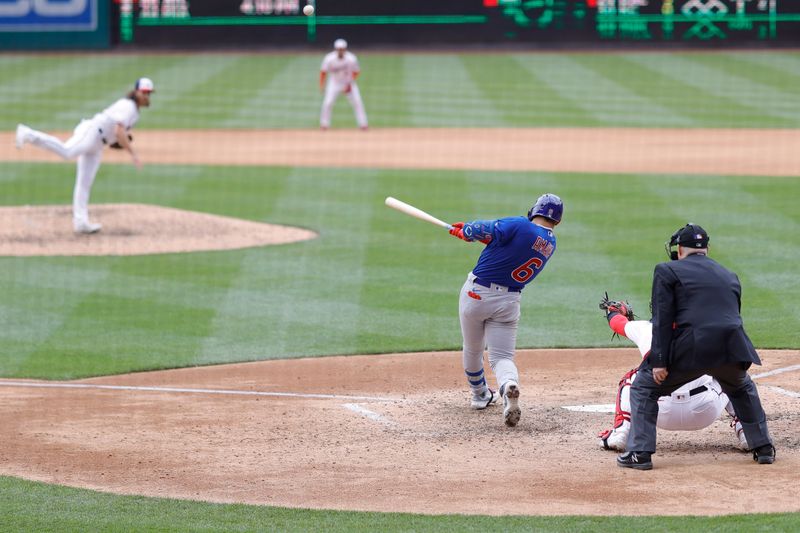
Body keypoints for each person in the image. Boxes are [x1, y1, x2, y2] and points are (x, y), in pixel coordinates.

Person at [617, 223, 775, 470]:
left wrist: (659, 361)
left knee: (643, 387)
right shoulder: (729, 274)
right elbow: (732, 316)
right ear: (707, 249)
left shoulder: (667, 270)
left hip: (692, 348)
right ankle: (764, 448)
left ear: (679, 249)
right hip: (732, 347)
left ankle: (640, 453)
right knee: (741, 386)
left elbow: (662, 319)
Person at [449, 193, 562, 427]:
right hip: (509, 301)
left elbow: (482, 228)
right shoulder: (550, 243)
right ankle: (508, 384)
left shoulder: (521, 224)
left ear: (535, 210)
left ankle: (480, 394)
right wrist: (473, 235)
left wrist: (467, 231)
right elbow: (505, 246)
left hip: (476, 295)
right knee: (502, 356)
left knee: (473, 347)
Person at [596, 295, 748, 452]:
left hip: (660, 412)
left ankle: (621, 432)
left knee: (632, 378)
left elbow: (616, 323)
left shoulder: (645, 329)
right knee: (731, 375)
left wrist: (613, 311)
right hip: (705, 410)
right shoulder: (708, 330)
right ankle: (746, 432)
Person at [15, 78, 154, 234]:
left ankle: (81, 222)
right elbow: (119, 131)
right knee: (68, 152)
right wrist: (133, 153)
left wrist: (120, 142)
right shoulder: (128, 106)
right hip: (91, 132)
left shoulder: (135, 113)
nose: (147, 96)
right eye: (144, 93)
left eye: (149, 93)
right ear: (136, 91)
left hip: (98, 145)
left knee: (84, 183)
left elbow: (115, 139)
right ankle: (28, 134)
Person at [319, 39, 368, 131]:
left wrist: (349, 83)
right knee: (327, 103)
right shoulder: (329, 58)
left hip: (348, 82)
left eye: (342, 49)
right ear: (335, 49)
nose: (340, 51)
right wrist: (322, 85)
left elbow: (356, 71)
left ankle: (363, 124)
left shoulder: (351, 58)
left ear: (345, 49)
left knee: (358, 102)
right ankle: (324, 124)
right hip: (334, 83)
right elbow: (323, 72)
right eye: (339, 49)